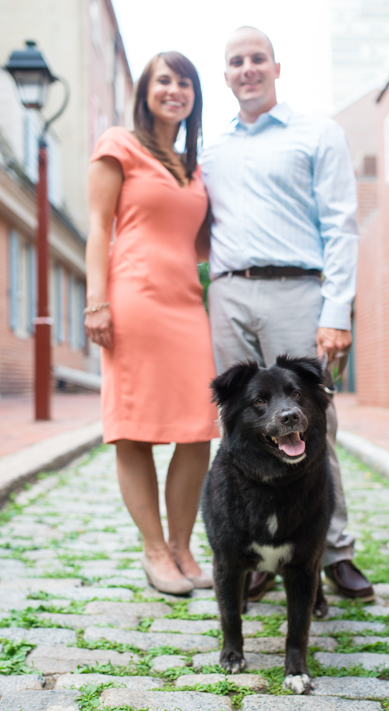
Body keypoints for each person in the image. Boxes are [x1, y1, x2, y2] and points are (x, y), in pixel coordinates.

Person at [200, 27, 373, 602]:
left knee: (313, 422)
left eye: (256, 58)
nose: (246, 68)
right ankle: (258, 550)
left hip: (296, 289)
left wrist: (337, 309)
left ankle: (333, 550)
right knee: (241, 422)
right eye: (235, 61)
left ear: (276, 66)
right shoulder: (210, 147)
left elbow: (341, 226)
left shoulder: (317, 133)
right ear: (225, 75)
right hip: (227, 291)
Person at [85, 52, 218, 596]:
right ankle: (154, 550)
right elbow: (97, 223)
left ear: (193, 97)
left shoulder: (194, 165)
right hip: (133, 299)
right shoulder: (120, 144)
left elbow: (204, 241)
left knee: (197, 430)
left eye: (184, 82)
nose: (174, 90)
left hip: (188, 306)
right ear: (145, 91)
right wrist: (97, 300)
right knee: (134, 430)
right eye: (164, 80)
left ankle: (184, 546)